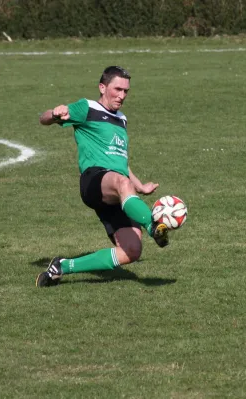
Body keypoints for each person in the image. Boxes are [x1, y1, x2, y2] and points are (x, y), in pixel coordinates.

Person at [35, 66, 169, 287]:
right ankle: (154, 227)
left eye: (126, 91)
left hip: (118, 188)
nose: (122, 95)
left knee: (131, 251)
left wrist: (140, 186)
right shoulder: (87, 108)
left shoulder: (121, 119)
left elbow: (121, 162)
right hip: (94, 180)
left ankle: (62, 267)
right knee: (121, 182)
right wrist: (53, 113)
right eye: (117, 89)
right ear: (102, 87)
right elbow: (43, 119)